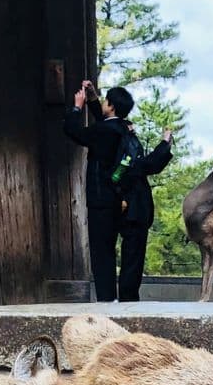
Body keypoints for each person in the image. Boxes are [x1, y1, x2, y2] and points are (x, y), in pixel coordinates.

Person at [64, 81, 172, 302]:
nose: (102, 103)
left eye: (105, 101)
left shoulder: (104, 131)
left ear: (111, 106)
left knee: (102, 252)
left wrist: (77, 106)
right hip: (122, 198)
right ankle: (127, 299)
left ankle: (106, 299)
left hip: (101, 198)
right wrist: (93, 99)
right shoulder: (125, 129)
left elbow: (74, 131)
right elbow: (105, 121)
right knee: (128, 253)